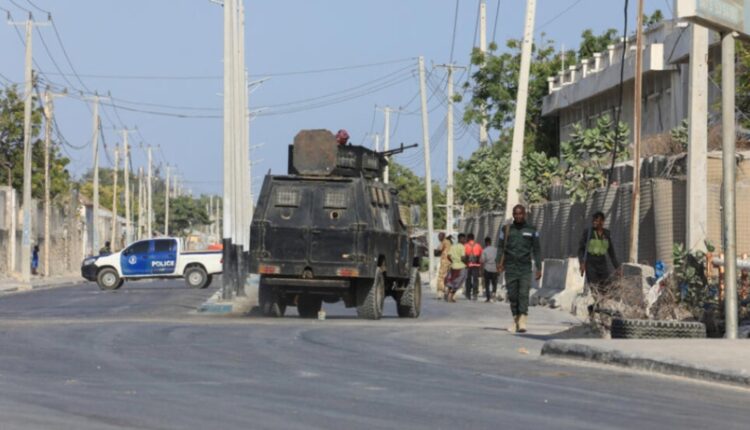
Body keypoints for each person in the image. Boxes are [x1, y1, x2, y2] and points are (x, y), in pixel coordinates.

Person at [496, 205, 541, 333]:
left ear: (524, 214)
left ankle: (522, 320)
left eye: (520, 213)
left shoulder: (532, 230)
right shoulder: (506, 229)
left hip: (525, 267)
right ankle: (516, 319)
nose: (518, 216)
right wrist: (498, 262)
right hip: (510, 267)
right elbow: (500, 247)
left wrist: (539, 267)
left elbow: (537, 250)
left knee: (523, 294)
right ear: (513, 215)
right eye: (516, 214)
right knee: (513, 295)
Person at [578, 211, 620, 295]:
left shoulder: (606, 234)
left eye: (596, 221)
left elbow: (611, 253)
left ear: (602, 222)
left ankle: (601, 301)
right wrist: (582, 263)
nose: (594, 222)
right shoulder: (588, 233)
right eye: (593, 220)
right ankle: (597, 301)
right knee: (595, 287)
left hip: (602, 262)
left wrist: (617, 268)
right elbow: (581, 250)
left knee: (606, 287)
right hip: (590, 263)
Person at [445, 233, 467, 302]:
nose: (464, 240)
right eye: (463, 239)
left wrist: (453, 261)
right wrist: (467, 262)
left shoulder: (453, 246)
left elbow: (448, 256)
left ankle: (448, 293)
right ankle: (451, 296)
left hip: (453, 267)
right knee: (458, 282)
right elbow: (463, 258)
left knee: (452, 281)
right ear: (460, 239)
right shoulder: (462, 247)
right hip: (461, 267)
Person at [463, 233, 482, 301]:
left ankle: (468, 294)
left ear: (468, 238)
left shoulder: (465, 245)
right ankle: (475, 294)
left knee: (468, 280)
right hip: (476, 265)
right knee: (475, 280)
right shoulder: (478, 245)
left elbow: (463, 256)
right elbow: (481, 256)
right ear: (473, 238)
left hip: (468, 265)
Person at [480, 237, 498, 303]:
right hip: (495, 268)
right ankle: (494, 294)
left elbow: (482, 261)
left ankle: (488, 298)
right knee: (494, 283)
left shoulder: (484, 250)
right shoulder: (496, 249)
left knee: (487, 284)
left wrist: (481, 270)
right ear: (490, 242)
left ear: (485, 243)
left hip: (487, 268)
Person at [436, 232, 452, 299]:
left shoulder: (443, 242)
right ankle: (447, 291)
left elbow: (438, 250)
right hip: (450, 262)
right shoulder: (449, 241)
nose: (439, 238)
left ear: (443, 236)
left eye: (440, 236)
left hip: (444, 262)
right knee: (448, 277)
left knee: (441, 277)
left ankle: (440, 291)